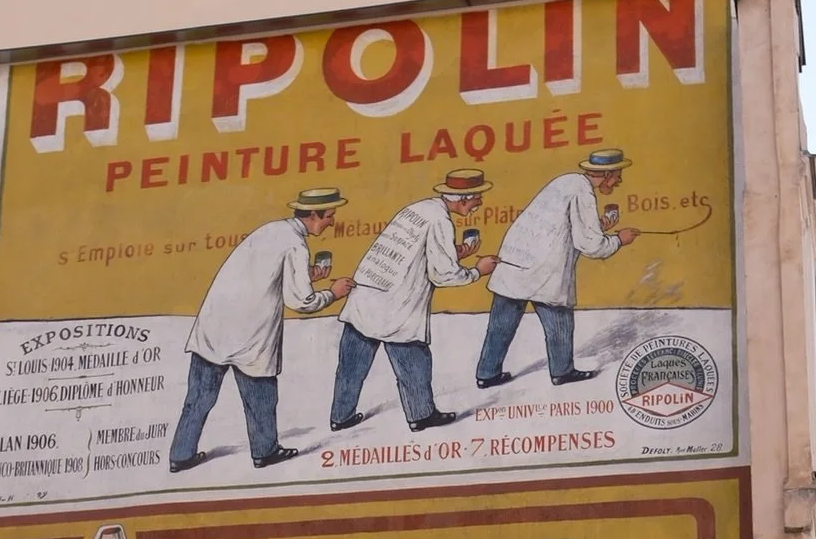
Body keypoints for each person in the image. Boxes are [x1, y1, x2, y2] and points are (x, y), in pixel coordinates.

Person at [170, 187, 351, 472]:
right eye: (329, 216)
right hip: (251, 334)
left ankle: (180, 455)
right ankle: (265, 452)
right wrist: (333, 293)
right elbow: (300, 301)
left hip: (214, 326)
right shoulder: (296, 244)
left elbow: (264, 275)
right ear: (314, 215)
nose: (332, 222)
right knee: (261, 398)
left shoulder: (271, 230)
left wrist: (307, 276)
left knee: (198, 398)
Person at [331, 168, 498, 434]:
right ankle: (421, 415)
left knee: (351, 365)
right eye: (477, 198)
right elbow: (442, 274)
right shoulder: (441, 221)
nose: (480, 203)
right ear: (464, 198)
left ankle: (340, 416)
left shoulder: (419, 208)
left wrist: (457, 252)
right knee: (414, 363)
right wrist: (479, 270)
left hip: (365, 298)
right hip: (396, 306)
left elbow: (416, 252)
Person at [475, 148, 641, 389]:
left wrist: (599, 224)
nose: (619, 181)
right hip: (543, 270)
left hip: (514, 260)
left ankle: (487, 374)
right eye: (617, 175)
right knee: (559, 319)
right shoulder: (583, 192)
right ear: (605, 174)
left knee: (502, 322)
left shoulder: (566, 181)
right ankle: (562, 371)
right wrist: (619, 240)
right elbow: (590, 245)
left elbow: (563, 224)